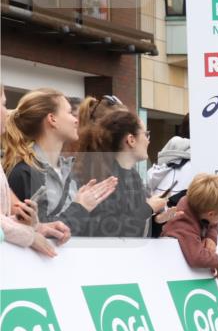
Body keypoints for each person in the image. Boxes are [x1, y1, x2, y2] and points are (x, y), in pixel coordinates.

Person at [3, 88, 118, 233]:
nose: (76, 120)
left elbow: (75, 230)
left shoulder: (67, 171)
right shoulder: (24, 173)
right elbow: (39, 233)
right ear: (52, 119)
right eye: (70, 113)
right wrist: (80, 207)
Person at [74, 109, 168, 237]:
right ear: (131, 140)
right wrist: (148, 208)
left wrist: (157, 221)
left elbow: (133, 228)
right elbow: (107, 231)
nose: (148, 140)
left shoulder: (133, 176)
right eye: (146, 134)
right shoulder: (102, 178)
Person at [0, 87, 68, 256]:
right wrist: (30, 236)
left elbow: (9, 213)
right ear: (51, 119)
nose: (7, 111)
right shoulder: (23, 172)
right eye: (3, 103)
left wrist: (37, 227)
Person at [161, 173, 218, 278]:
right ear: (211, 214)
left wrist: (211, 237)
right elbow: (197, 257)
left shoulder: (197, 207)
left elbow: (213, 223)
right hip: (171, 274)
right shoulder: (183, 224)